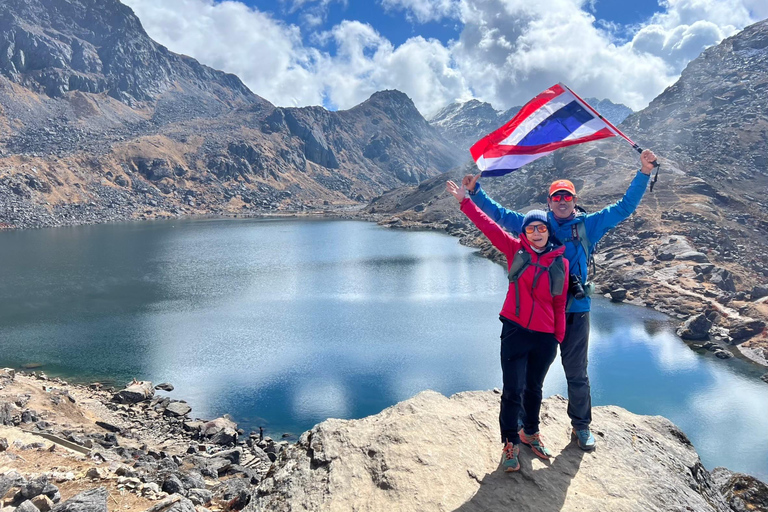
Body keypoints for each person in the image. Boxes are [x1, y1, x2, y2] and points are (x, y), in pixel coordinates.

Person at [461, 149, 657, 451]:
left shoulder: (588, 225)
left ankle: (581, 426)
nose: (562, 201)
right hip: (542, 315)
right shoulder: (539, 224)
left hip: (575, 311)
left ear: (574, 201)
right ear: (549, 202)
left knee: (576, 372)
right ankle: (528, 429)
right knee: (531, 376)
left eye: (568, 197)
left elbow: (624, 207)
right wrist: (476, 193)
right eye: (557, 197)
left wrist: (643, 172)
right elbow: (501, 217)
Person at [446, 180, 569, 472]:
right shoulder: (515, 250)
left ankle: (531, 432)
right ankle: (510, 442)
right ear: (523, 232)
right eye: (531, 228)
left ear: (548, 231)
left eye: (541, 228)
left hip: (545, 337)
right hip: (515, 331)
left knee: (535, 389)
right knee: (513, 390)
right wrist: (465, 201)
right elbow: (488, 226)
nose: (536, 233)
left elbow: (559, 304)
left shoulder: (559, 263)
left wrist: (558, 337)